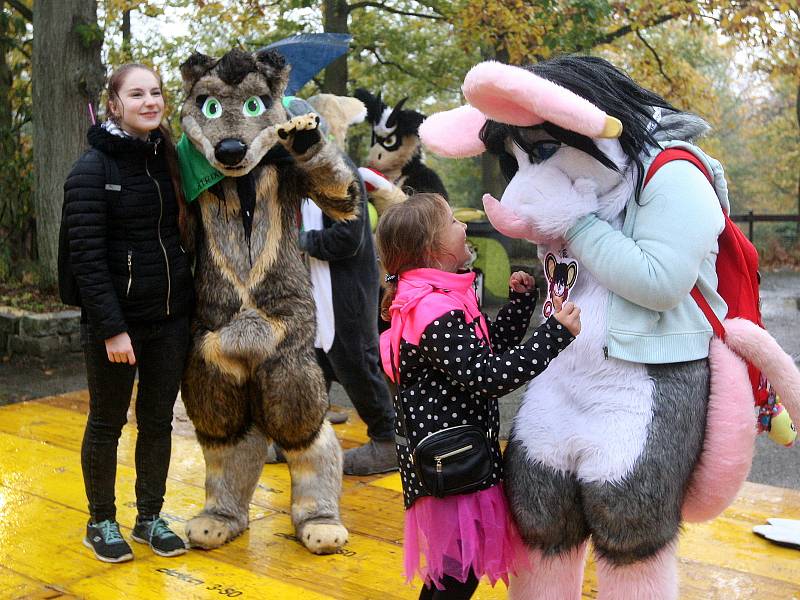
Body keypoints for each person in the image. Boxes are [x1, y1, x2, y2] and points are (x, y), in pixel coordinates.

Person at [376, 193, 581, 599]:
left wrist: (520, 305)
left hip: (461, 458)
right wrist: (555, 334)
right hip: (450, 467)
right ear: (434, 250)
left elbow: (483, 353)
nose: (464, 227)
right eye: (453, 222)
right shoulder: (431, 310)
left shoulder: (443, 296)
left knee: (455, 576)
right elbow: (488, 376)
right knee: (455, 577)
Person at [63, 63, 194, 563]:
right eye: (136, 94)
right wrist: (113, 330)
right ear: (113, 104)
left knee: (158, 421)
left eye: (156, 93)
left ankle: (150, 517)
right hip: (116, 326)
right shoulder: (92, 169)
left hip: (170, 319)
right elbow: (87, 259)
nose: (150, 102)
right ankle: (101, 521)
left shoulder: (171, 160)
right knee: (106, 424)